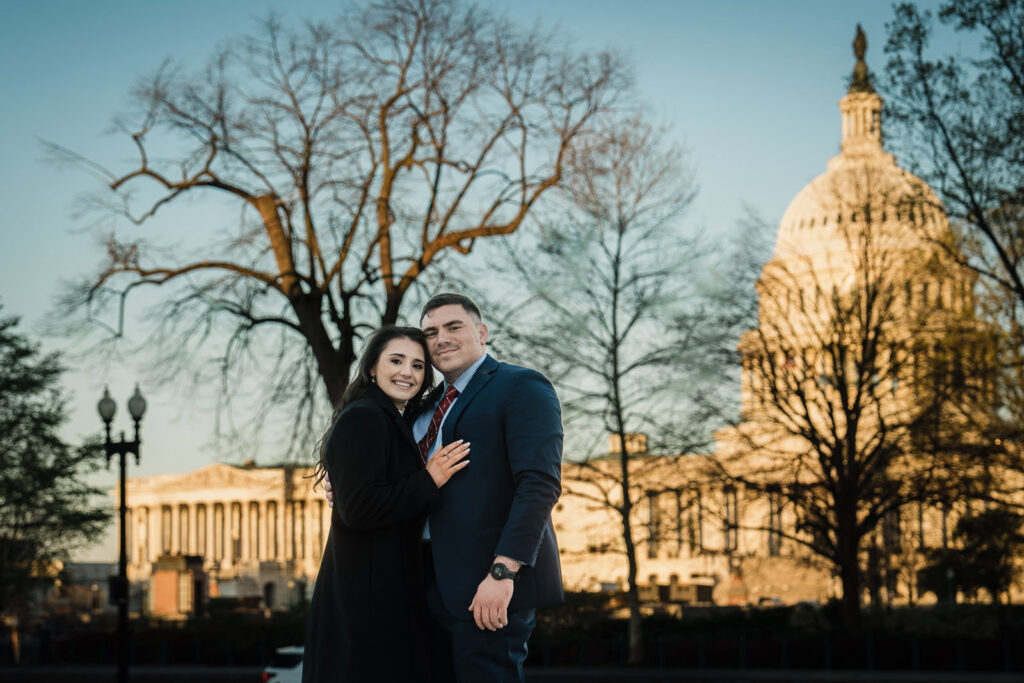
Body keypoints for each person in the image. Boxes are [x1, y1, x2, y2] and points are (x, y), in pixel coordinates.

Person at [327, 293, 564, 682]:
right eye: (431, 332)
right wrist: (345, 481)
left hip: (485, 585)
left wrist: (503, 573)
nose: (442, 339)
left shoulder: (521, 386)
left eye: (454, 327)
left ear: (482, 332)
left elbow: (539, 485)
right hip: (419, 586)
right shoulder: (421, 406)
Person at [302, 325, 470, 683]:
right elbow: (359, 509)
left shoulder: (392, 419)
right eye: (396, 361)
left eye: (418, 365)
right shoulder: (364, 418)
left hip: (386, 592)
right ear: (372, 368)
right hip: (367, 599)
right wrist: (430, 478)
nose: (407, 372)